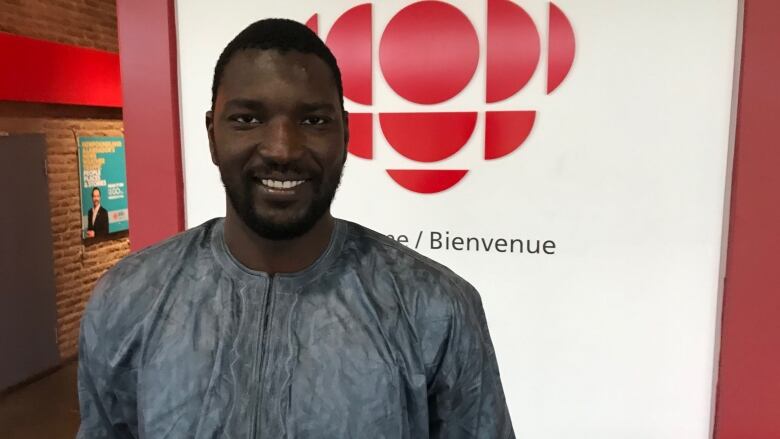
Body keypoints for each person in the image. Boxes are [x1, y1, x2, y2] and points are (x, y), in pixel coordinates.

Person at [77, 18, 514, 438]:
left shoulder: (435, 309)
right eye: (248, 119)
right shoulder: (129, 298)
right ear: (212, 134)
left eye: (313, 121)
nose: (282, 149)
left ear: (345, 134)